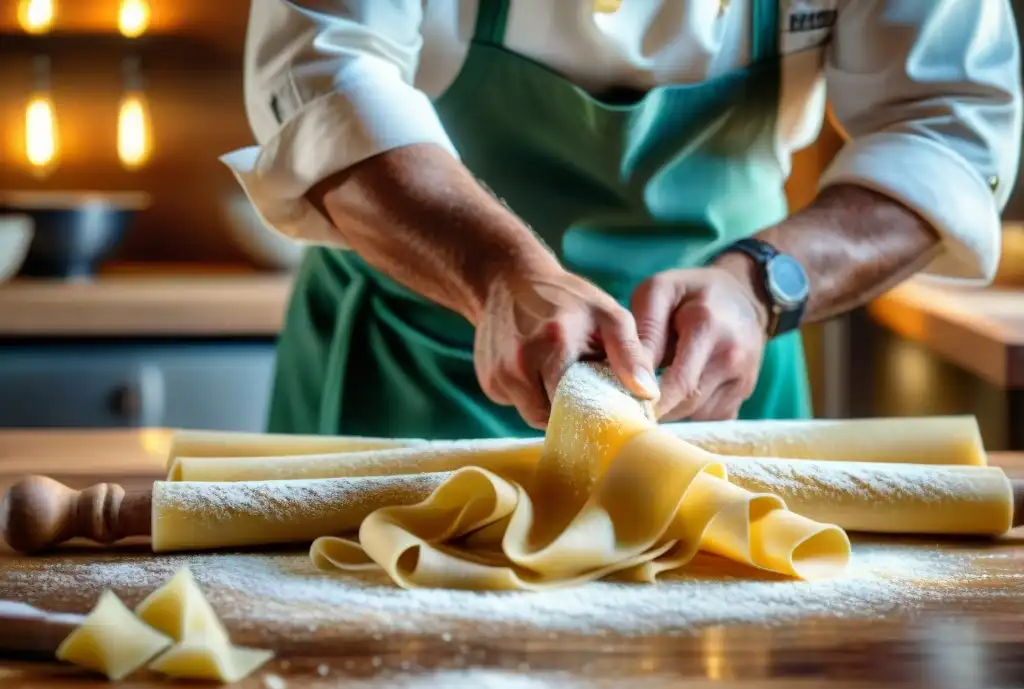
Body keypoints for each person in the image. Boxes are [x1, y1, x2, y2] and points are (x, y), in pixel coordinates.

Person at [223, 0, 1022, 439]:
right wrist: (502, 275)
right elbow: (324, 72)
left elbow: (948, 123)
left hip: (724, 381)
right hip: (416, 368)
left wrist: (757, 287)